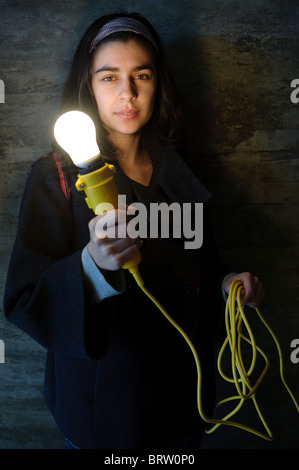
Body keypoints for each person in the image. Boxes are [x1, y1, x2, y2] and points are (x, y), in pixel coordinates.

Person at [3, 12, 265, 450]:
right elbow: (23, 299)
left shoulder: (179, 169)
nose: (128, 93)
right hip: (105, 412)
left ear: (158, 81)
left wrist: (228, 285)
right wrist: (93, 267)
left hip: (183, 401)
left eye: (140, 74)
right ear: (89, 85)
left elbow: (204, 264)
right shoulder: (56, 178)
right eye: (109, 77)